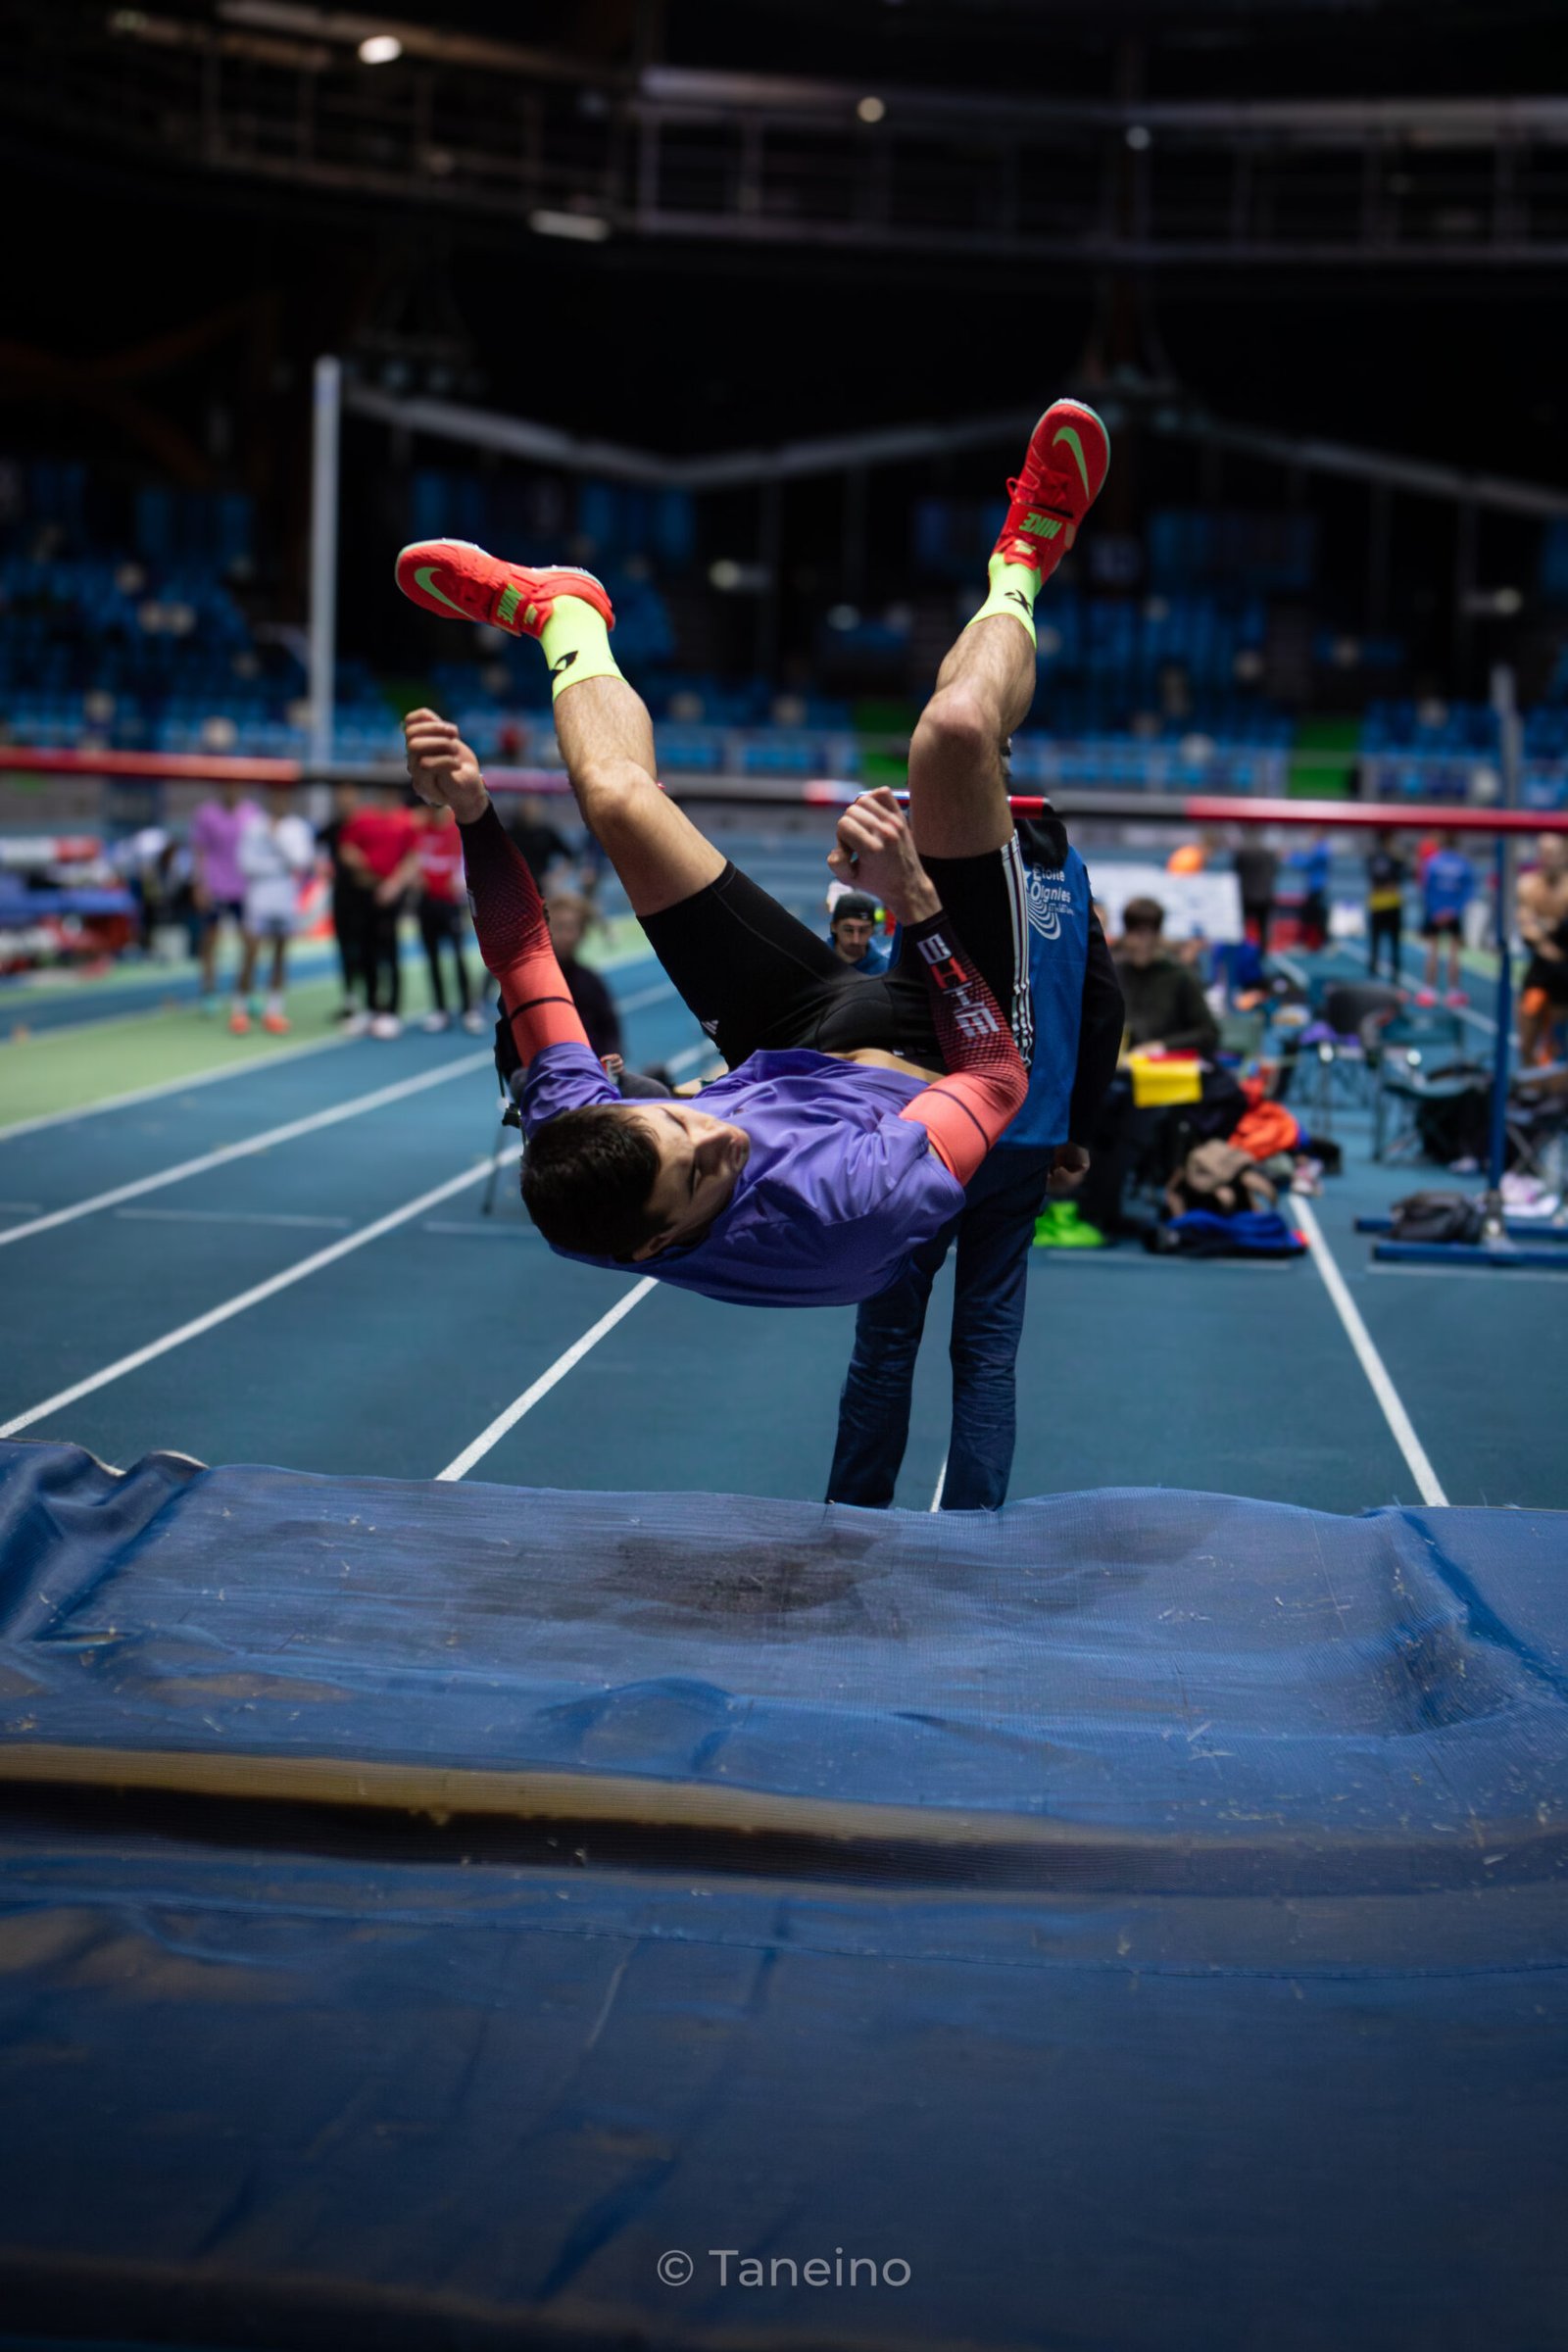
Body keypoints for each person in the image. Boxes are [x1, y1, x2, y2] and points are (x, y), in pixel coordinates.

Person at [395, 395, 1121, 1308]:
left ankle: (565, 614)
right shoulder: (844, 1212)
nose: (717, 1137)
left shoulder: (582, 1144)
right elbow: (998, 1078)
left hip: (786, 1045)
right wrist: (915, 904)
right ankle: (1024, 560)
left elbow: (521, 952)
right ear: (658, 1245)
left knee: (619, 803)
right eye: (700, 1175)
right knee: (956, 735)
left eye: (677, 1123)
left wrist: (471, 816)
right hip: (944, 1051)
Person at [826, 813, 1120, 1510]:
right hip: (1027, 1132)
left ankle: (855, 1516)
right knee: (988, 1347)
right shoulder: (1069, 868)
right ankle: (973, 1529)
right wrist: (1074, 1130)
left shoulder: (944, 849)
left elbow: (900, 991)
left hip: (939, 1126)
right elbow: (1104, 1001)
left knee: (887, 1339)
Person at [231, 786, 316, 1035]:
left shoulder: (296, 828)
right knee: (250, 952)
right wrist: (276, 866)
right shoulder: (253, 826)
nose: (279, 801)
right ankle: (240, 1010)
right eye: (275, 796)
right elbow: (245, 863)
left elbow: (301, 861)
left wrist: (277, 839)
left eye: (284, 796)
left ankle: (274, 1011)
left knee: (280, 954)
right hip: (259, 895)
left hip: (285, 895)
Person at [338, 785, 420, 1038]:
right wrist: (362, 865)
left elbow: (413, 857)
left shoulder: (407, 820)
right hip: (365, 893)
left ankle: (391, 1011)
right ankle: (372, 1007)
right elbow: (346, 848)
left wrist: (394, 884)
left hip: (390, 894)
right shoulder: (363, 818)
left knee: (390, 952)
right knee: (366, 952)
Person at [395, 804, 484, 1034]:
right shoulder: (420, 831)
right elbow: (411, 858)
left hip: (451, 903)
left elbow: (469, 860)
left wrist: (462, 884)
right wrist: (414, 878)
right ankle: (440, 1010)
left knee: (458, 957)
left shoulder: (457, 830)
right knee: (431, 957)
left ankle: (469, 1009)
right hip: (426, 902)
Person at [1111, 898, 1220, 1055]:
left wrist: (1163, 1045)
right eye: (1137, 933)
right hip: (1121, 1063)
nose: (1142, 943)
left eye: (1148, 934)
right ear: (1127, 934)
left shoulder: (1178, 976)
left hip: (1167, 1064)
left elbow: (1208, 1033)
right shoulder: (1114, 974)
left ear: (1158, 936)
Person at [189, 781, 261, 1013]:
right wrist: (199, 884)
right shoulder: (206, 813)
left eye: (236, 786)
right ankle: (209, 992)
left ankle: (245, 990)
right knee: (210, 941)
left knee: (251, 942)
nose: (232, 790)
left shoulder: (252, 813)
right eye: (228, 786)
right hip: (215, 886)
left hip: (244, 888)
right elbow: (199, 851)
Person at [317, 782, 371, 1023]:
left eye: (349, 794)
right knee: (345, 950)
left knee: (367, 950)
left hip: (365, 897)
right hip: (341, 898)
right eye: (340, 795)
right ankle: (350, 1000)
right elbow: (315, 848)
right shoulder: (332, 828)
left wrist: (363, 865)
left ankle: (371, 1001)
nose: (344, 799)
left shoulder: (365, 825)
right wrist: (320, 866)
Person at [1517, 832, 1568, 1066]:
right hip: (1541, 967)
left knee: (1557, 1042)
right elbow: (1527, 927)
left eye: (1552, 852)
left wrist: (1545, 926)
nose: (1546, 858)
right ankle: (1529, 1074)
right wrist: (1549, 929)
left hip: (1564, 969)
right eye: (1542, 852)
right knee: (1527, 1023)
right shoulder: (1528, 885)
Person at [1417, 831, 1473, 1005]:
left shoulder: (1432, 862)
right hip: (1453, 913)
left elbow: (1425, 888)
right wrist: (1453, 910)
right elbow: (1467, 891)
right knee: (1454, 953)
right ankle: (1453, 992)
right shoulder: (1462, 863)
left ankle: (1429, 991)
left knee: (1432, 951)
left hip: (1435, 913)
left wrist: (1436, 911)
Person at [1365, 828, 1407, 982]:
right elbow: (1374, 876)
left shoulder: (1396, 857)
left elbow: (1404, 874)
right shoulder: (1374, 856)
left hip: (1392, 904)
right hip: (1379, 904)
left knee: (1394, 942)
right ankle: (1373, 971)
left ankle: (1394, 972)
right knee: (1376, 941)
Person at [506, 793, 573, 886]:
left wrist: (555, 876)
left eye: (534, 808)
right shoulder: (510, 833)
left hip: (541, 882)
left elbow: (570, 856)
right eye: (527, 808)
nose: (531, 811)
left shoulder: (546, 833)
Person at [828, 889, 891, 973]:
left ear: (872, 929)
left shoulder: (886, 971)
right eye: (849, 930)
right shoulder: (814, 963)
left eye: (863, 930)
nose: (856, 940)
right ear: (834, 927)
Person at [1233, 838, 1278, 953]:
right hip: (1264, 895)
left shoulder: (1243, 854)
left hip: (1247, 895)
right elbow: (1275, 871)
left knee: (1242, 927)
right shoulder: (1269, 854)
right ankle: (1262, 952)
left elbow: (1236, 872)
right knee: (1263, 927)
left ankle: (1241, 951)